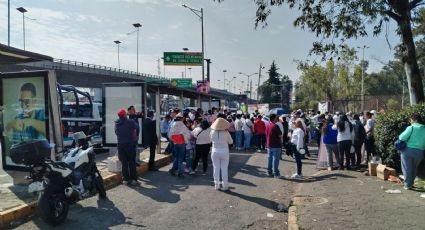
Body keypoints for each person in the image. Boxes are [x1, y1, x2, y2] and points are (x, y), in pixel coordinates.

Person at [398, 114, 425, 190]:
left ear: (415, 120)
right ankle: (411, 182)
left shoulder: (411, 127)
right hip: (420, 152)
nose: (410, 122)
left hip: (408, 151)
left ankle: (407, 184)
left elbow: (401, 137)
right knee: (414, 167)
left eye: (411, 120)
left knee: (407, 168)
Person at [115, 109, 139, 186]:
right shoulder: (130, 121)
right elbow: (137, 127)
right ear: (125, 115)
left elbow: (116, 132)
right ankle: (133, 179)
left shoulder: (116, 123)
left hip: (120, 144)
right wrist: (134, 116)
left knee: (124, 163)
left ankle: (125, 179)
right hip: (130, 144)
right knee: (132, 162)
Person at [210, 118, 233, 190]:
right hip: (224, 151)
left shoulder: (212, 132)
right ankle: (225, 186)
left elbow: (210, 140)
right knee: (224, 169)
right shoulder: (226, 133)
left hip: (214, 151)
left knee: (216, 168)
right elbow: (231, 142)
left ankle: (216, 185)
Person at [168, 113, 190, 177]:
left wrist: (174, 140)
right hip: (182, 143)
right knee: (180, 158)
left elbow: (170, 135)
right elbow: (187, 135)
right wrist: (186, 141)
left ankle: (173, 170)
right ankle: (180, 173)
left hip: (175, 143)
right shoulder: (183, 126)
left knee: (176, 157)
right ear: (181, 118)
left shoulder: (173, 125)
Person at [266, 114, 283, 178]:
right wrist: (281, 143)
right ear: (274, 118)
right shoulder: (276, 126)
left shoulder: (268, 125)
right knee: (275, 160)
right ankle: (276, 174)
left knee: (270, 159)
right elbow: (280, 136)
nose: (277, 119)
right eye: (276, 118)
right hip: (276, 145)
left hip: (269, 145)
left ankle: (269, 172)